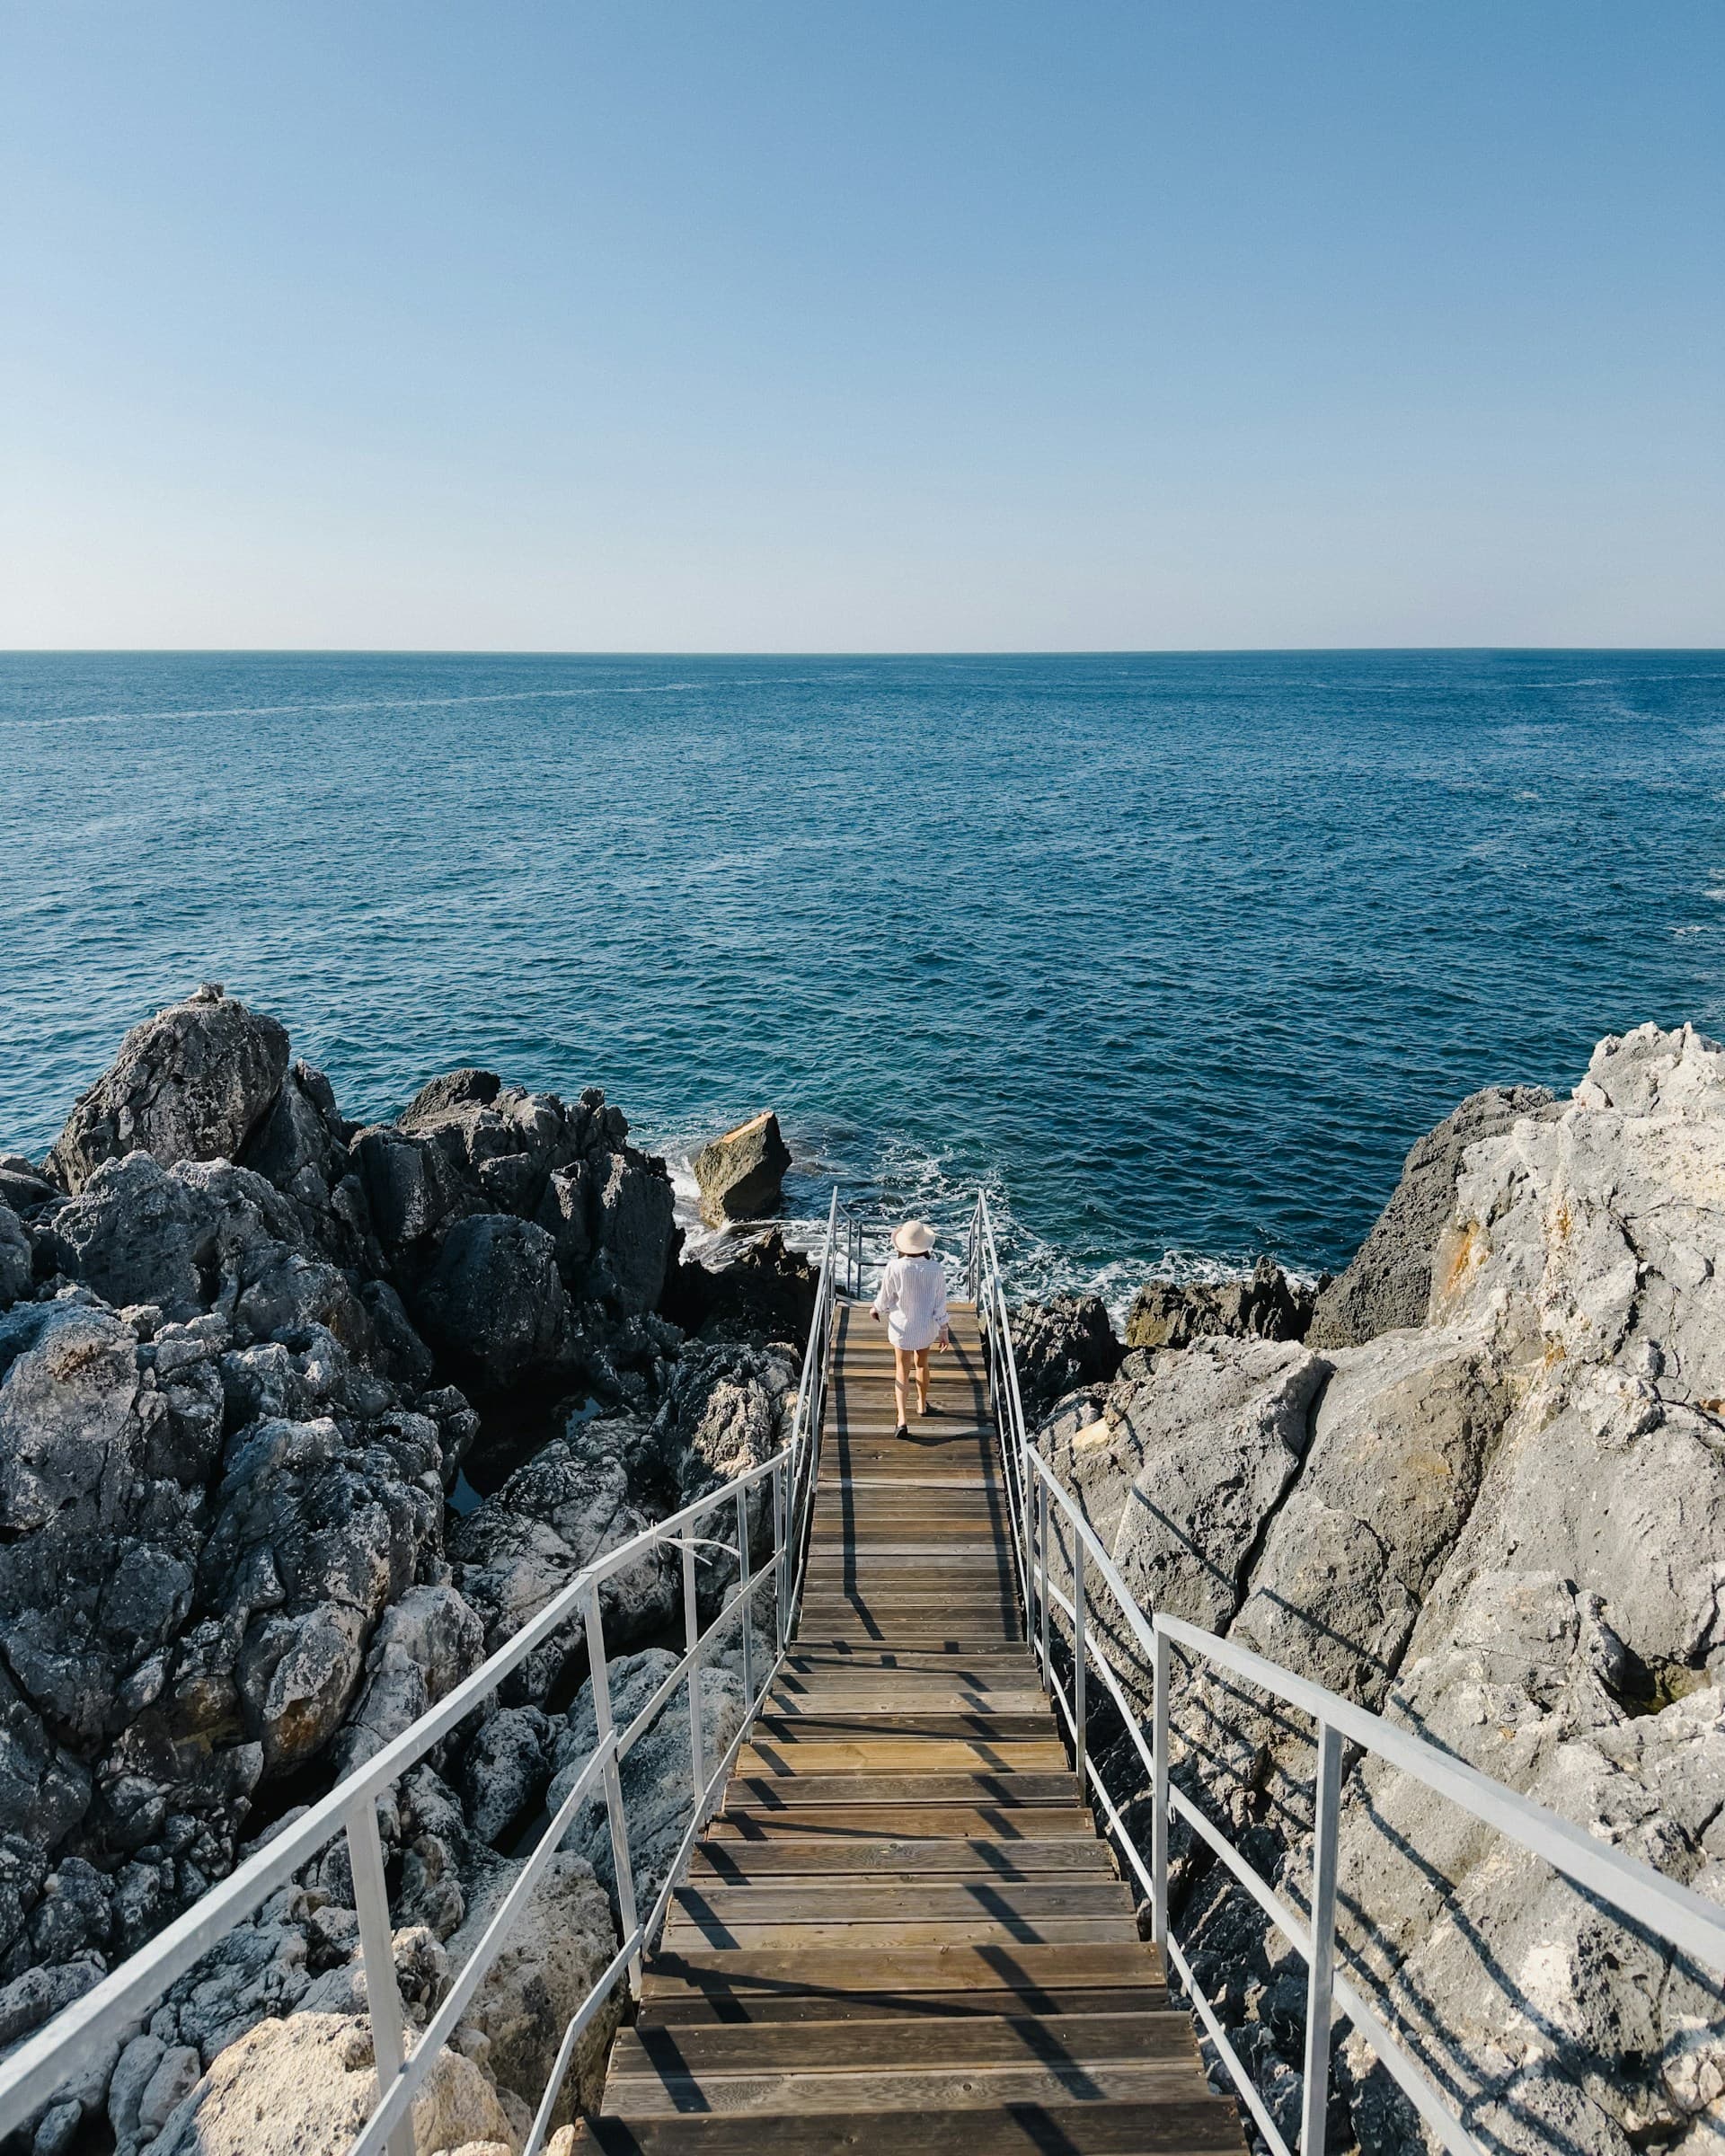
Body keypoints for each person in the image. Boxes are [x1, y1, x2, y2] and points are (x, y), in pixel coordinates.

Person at [869, 1219, 950, 1436]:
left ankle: (902, 1419)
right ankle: (922, 1404)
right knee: (922, 1364)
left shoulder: (895, 1267)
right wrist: (944, 1329)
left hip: (901, 1329)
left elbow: (885, 1298)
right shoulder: (935, 1269)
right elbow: (939, 1303)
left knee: (902, 1370)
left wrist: (875, 1309)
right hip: (926, 1328)